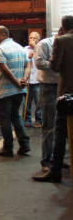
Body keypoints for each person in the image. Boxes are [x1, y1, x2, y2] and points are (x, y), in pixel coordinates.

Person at [33, 16, 73, 183]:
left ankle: (54, 169)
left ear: (63, 27)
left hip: (65, 92)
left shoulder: (62, 41)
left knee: (58, 129)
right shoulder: (46, 43)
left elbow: (55, 66)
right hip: (59, 89)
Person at [0, 26, 31, 157]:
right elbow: (28, 65)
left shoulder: (0, 49)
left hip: (5, 90)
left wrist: (16, 82)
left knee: (5, 119)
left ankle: (8, 148)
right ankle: (25, 144)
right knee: (16, 116)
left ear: (3, 35)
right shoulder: (20, 47)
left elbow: (4, 69)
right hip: (19, 90)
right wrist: (24, 80)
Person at [31, 32, 59, 175]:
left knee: (63, 125)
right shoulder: (45, 44)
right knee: (48, 125)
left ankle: (60, 159)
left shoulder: (66, 43)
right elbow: (39, 62)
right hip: (48, 86)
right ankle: (46, 161)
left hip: (63, 86)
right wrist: (57, 65)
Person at [23, 32, 42, 128]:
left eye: (34, 38)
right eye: (30, 37)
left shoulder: (41, 48)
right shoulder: (25, 49)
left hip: (38, 80)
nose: (32, 39)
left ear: (38, 39)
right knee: (27, 102)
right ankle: (27, 120)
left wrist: (35, 49)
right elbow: (23, 62)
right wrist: (28, 57)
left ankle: (39, 120)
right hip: (28, 80)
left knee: (39, 102)